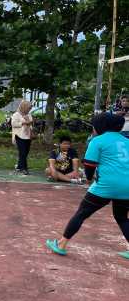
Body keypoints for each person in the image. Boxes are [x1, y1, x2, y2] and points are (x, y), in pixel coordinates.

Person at [46, 113, 129, 260]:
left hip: (106, 185)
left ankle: (61, 244)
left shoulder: (97, 141)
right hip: (127, 186)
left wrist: (90, 179)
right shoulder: (126, 140)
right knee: (122, 217)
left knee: (82, 213)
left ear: (101, 127)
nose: (93, 129)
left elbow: (89, 166)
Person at [11, 100, 34, 175]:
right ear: (24, 107)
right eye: (28, 108)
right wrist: (23, 123)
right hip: (19, 135)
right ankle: (24, 168)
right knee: (23, 152)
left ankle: (19, 166)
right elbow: (13, 124)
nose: (29, 109)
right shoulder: (16, 115)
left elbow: (30, 124)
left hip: (27, 135)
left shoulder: (29, 114)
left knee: (25, 152)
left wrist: (31, 131)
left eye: (30, 108)